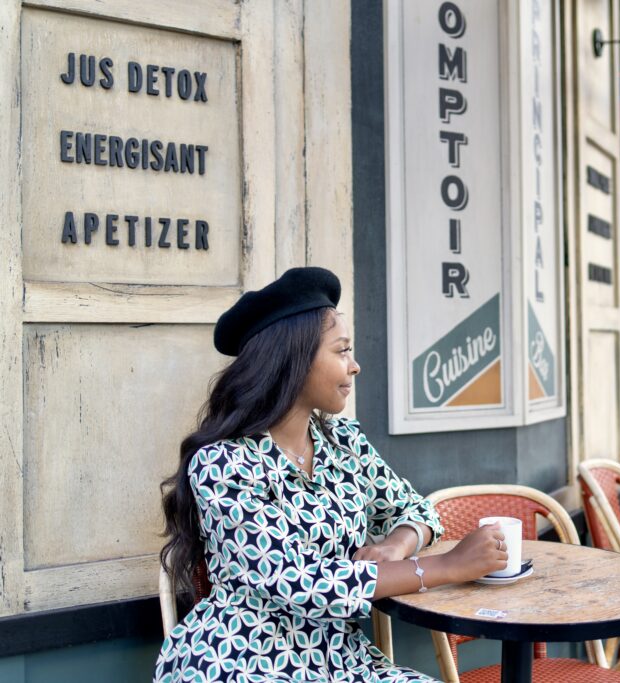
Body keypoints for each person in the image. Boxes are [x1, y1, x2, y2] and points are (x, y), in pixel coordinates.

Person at [154, 267, 508, 682]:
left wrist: (396, 544)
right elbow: (299, 582)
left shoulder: (344, 442)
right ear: (293, 360)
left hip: (343, 660)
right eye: (341, 351)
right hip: (243, 659)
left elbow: (416, 509)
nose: (355, 366)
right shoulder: (222, 464)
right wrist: (446, 566)